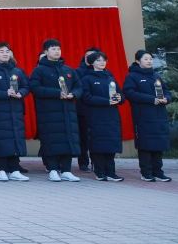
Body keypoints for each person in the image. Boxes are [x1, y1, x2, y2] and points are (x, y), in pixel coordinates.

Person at [29, 39, 83, 182]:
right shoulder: (39, 70)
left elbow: (79, 86)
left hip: (68, 112)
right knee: (51, 141)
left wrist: (74, 94)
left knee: (68, 140)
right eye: (53, 49)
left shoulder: (68, 70)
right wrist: (56, 93)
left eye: (58, 49)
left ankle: (66, 170)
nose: (57, 51)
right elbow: (35, 88)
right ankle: (52, 170)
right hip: (49, 113)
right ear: (46, 52)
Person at [0, 42, 30, 182]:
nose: (5, 54)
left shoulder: (17, 71)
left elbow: (26, 86)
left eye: (7, 51)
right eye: (1, 51)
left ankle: (14, 170)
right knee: (0, 141)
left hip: (15, 112)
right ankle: (1, 170)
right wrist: (4, 93)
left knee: (15, 139)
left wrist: (21, 93)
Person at [123, 50, 172, 182]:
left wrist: (166, 99)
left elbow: (167, 91)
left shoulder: (156, 75)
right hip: (143, 116)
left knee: (158, 144)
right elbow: (129, 93)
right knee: (146, 145)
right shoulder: (132, 76)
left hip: (159, 115)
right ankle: (146, 173)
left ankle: (158, 172)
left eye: (150, 59)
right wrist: (151, 99)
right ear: (138, 61)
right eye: (146, 59)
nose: (149, 61)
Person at [79, 51, 124, 181]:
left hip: (112, 116)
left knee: (111, 143)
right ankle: (99, 172)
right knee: (98, 144)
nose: (102, 62)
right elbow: (86, 97)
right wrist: (106, 101)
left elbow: (121, 95)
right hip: (96, 116)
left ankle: (111, 172)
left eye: (104, 60)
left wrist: (119, 98)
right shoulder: (87, 79)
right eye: (98, 60)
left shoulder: (110, 78)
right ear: (91, 63)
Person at [74, 48, 99, 173]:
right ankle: (83, 162)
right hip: (82, 109)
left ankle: (97, 161)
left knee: (96, 137)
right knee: (83, 137)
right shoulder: (78, 71)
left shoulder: (102, 71)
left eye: (92, 56)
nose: (89, 58)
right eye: (87, 56)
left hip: (98, 109)